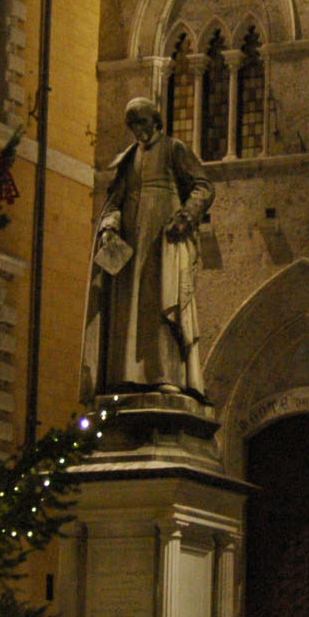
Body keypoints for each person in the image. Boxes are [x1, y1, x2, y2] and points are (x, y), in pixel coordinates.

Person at [83, 96, 213, 397]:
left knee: (161, 304)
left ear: (155, 120)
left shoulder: (173, 149)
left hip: (163, 238)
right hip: (130, 241)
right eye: (132, 124)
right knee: (127, 309)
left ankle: (165, 374)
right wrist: (110, 227)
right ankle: (126, 376)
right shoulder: (128, 159)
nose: (137, 129)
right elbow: (114, 200)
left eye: (141, 121)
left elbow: (203, 186)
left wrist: (186, 215)